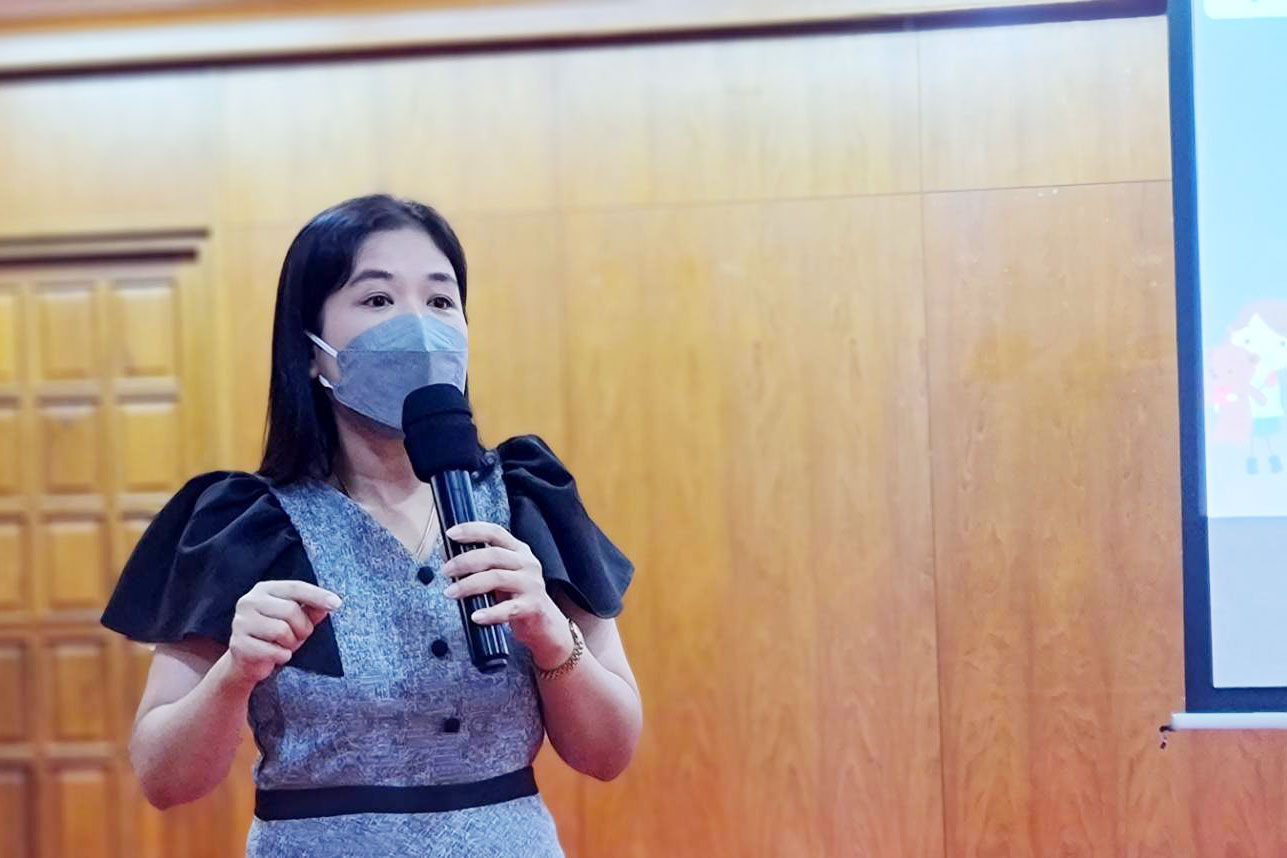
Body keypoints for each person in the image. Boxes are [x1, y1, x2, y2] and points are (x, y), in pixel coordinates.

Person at [101, 194, 642, 858]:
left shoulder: (528, 499)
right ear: (310, 351)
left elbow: (610, 754)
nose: (418, 328)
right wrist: (234, 674)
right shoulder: (244, 524)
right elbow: (164, 779)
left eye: (440, 301)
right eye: (378, 300)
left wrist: (555, 640)